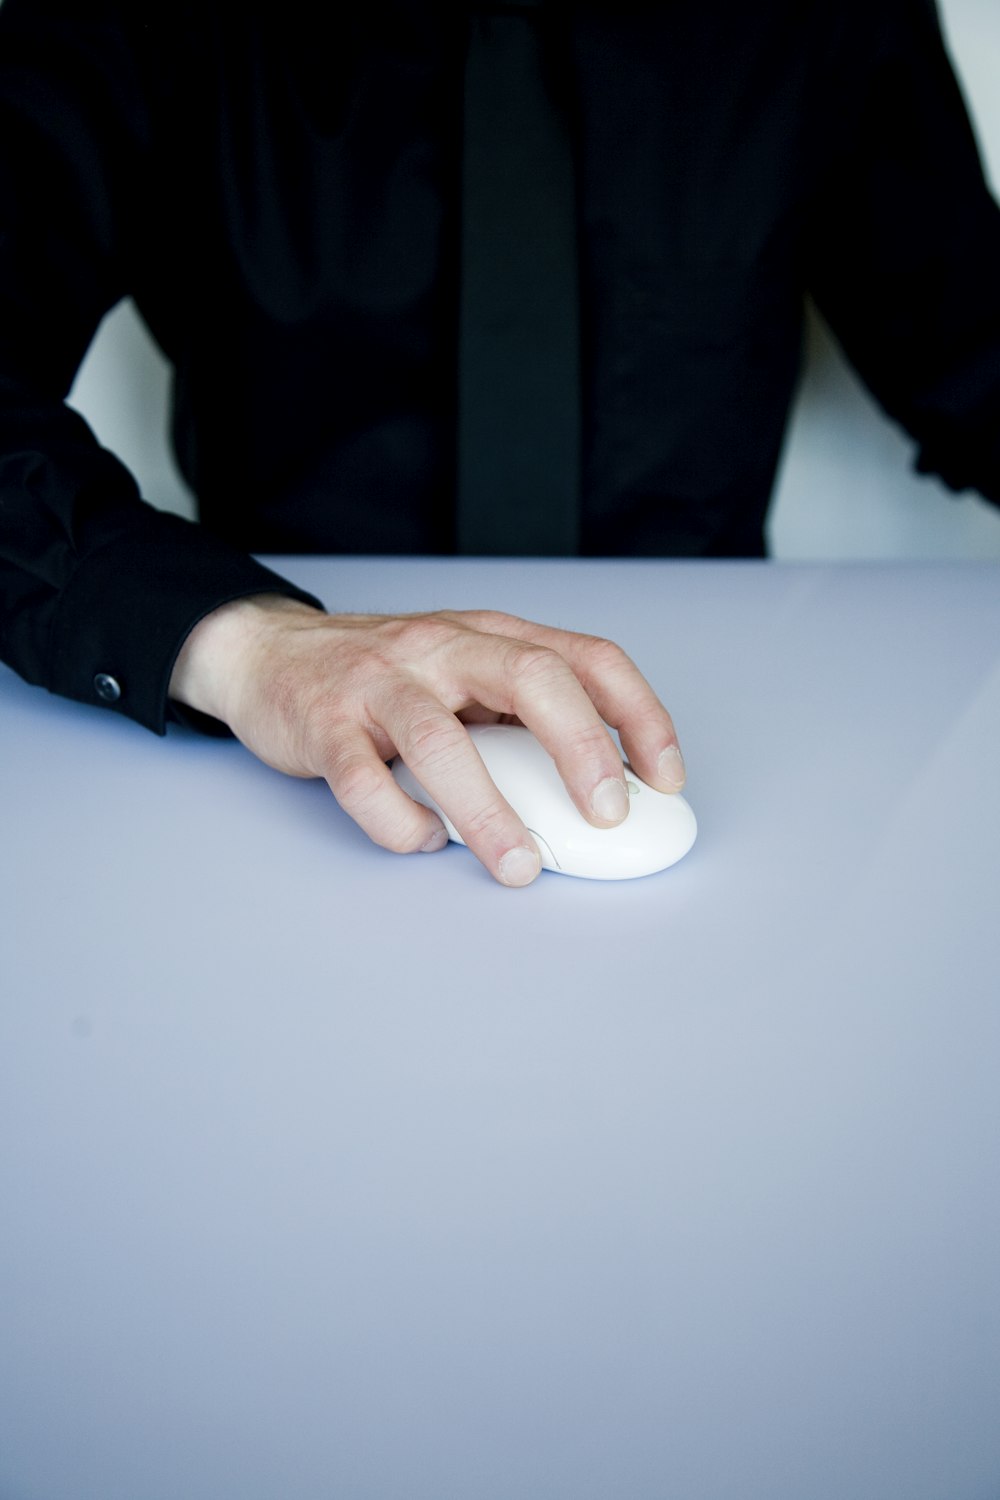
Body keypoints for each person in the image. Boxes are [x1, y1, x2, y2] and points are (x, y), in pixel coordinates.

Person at [2, 2, 999, 886]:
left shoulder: (827, 17)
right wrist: (238, 640)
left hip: (724, 734)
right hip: (260, 752)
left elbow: (971, 354)